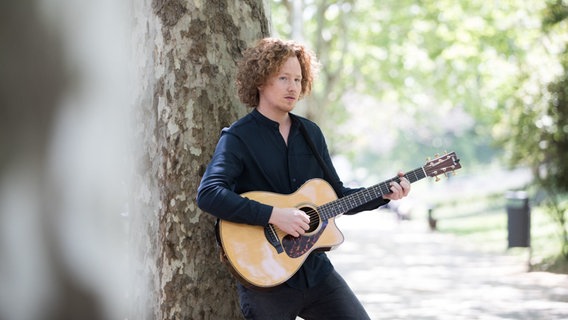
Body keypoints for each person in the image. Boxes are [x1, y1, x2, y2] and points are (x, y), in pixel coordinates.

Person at [197, 37, 411, 320]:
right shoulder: (238, 137)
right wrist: (274, 215)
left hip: (315, 272)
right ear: (260, 81)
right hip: (265, 276)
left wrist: (383, 195)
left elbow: (338, 196)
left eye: (298, 79)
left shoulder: (310, 133)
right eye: (283, 78)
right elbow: (209, 193)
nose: (292, 87)